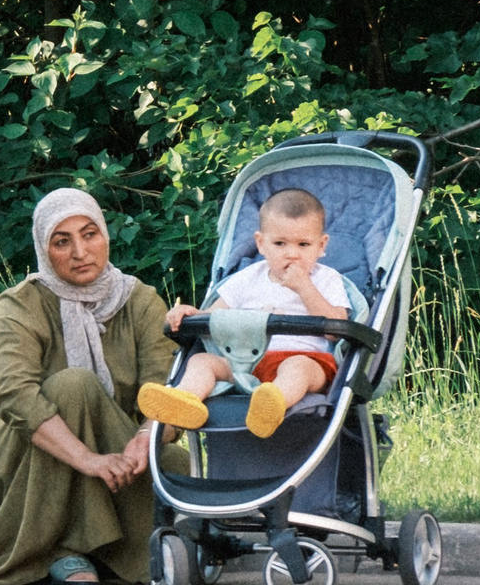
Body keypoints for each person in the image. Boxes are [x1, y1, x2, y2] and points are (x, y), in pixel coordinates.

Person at [0, 189, 187, 585]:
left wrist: (145, 437)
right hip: (8, 451)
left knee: (177, 465)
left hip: (111, 445)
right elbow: (15, 395)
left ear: (105, 236)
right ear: (44, 250)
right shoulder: (21, 303)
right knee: (74, 385)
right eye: (62, 242)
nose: (80, 252)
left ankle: (90, 547)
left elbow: (165, 390)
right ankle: (61, 550)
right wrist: (88, 460)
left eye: (89, 234)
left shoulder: (142, 301)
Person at [136, 186, 355, 439]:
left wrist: (305, 288)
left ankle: (272, 405)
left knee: (297, 368)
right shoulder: (246, 279)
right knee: (202, 361)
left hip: (305, 359)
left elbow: (336, 328)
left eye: (303, 244)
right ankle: (185, 400)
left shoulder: (327, 280)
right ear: (261, 244)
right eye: (280, 243)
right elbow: (212, 319)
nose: (292, 254)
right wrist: (188, 314)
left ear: (321, 245)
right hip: (246, 362)